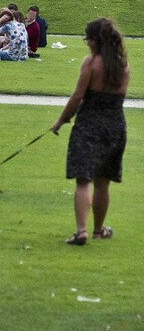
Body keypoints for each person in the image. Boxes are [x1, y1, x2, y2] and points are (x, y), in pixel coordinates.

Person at [52, 18, 130, 246]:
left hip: (89, 125)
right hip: (116, 126)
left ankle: (81, 231)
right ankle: (98, 230)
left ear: (97, 40)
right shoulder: (124, 65)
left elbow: (78, 97)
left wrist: (61, 120)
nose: (87, 43)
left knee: (83, 180)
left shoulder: (91, 63)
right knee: (103, 182)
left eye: (88, 39)